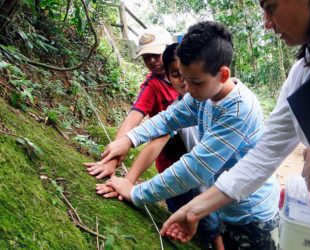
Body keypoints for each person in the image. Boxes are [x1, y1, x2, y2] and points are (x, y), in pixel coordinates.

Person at [159, 1, 310, 250]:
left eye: (271, 7)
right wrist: (193, 211)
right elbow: (262, 157)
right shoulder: (301, 76)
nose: (266, 22)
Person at [96, 21, 281, 249]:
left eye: (195, 81)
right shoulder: (203, 95)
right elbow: (168, 118)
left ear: (223, 75)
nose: (188, 88)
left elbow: (196, 167)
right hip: (224, 204)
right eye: (182, 77)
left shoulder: (238, 109)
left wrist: (136, 193)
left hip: (252, 214)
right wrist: (128, 139)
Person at [96, 43, 224, 249]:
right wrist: (120, 166)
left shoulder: (208, 99)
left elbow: (199, 163)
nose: (184, 81)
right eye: (176, 74)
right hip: (173, 170)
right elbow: (153, 129)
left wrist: (134, 188)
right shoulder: (171, 98)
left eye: (155, 55)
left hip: (206, 178)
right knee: (186, 221)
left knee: (211, 225)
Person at [84, 27, 187, 180]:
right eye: (146, 57)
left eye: (156, 55)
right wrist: (112, 161)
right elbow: (133, 117)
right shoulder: (152, 86)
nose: (152, 60)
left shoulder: (192, 81)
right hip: (169, 160)